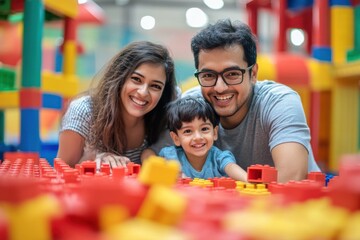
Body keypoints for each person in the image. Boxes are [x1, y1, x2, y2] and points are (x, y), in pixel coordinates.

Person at [150, 19, 321, 183]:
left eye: (232, 74)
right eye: (208, 75)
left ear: (253, 74)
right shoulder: (191, 106)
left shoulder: (279, 102)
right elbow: (154, 155)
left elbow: (291, 179)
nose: (220, 87)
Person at [57, 41, 178, 168]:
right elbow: (61, 173)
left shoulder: (165, 116)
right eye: (136, 79)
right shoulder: (84, 111)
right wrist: (94, 159)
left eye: (155, 86)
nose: (143, 92)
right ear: (120, 77)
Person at [158, 96, 247, 181]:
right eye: (188, 131)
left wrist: (250, 181)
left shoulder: (220, 158)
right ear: (176, 138)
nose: (198, 137)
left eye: (204, 129)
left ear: (215, 133)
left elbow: (231, 167)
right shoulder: (171, 155)